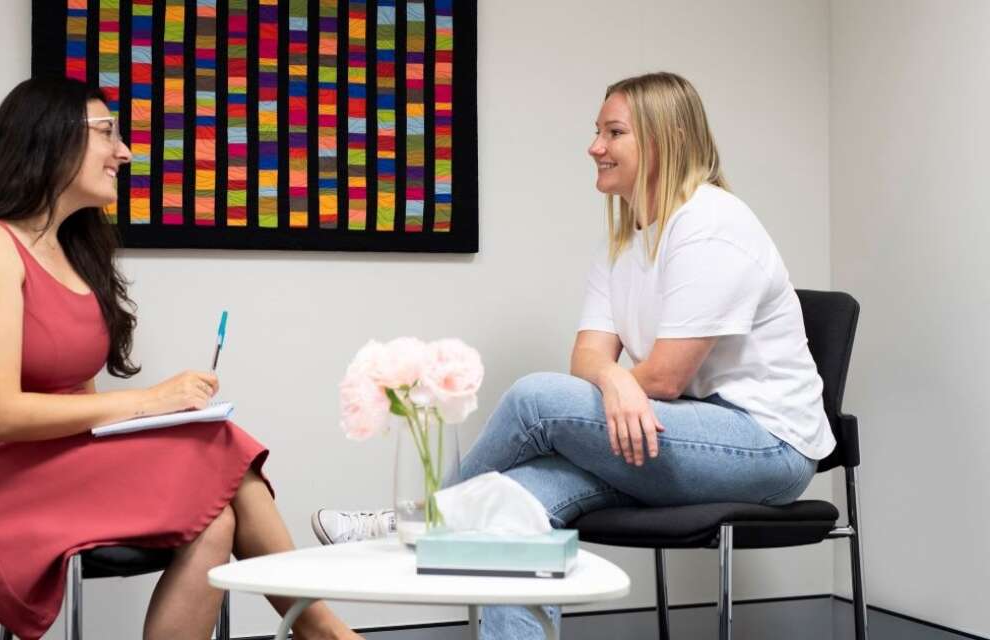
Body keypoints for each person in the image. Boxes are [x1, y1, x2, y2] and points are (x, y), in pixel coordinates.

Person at [312, 72, 834, 639]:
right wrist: (614, 381)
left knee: (536, 399)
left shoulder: (711, 223)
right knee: (510, 511)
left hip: (765, 445)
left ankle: (416, 522)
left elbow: (665, 376)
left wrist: (623, 382)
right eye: (597, 132)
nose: (595, 147)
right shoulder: (626, 242)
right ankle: (445, 530)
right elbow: (586, 357)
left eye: (614, 133)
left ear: (666, 137)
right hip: (668, 431)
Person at [0, 77, 361, 640]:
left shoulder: (68, 251)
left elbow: (77, 397)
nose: (126, 151)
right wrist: (147, 403)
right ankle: (327, 632)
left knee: (215, 515)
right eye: (107, 132)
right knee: (223, 449)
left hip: (48, 461)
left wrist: (161, 417)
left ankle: (325, 632)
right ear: (50, 139)